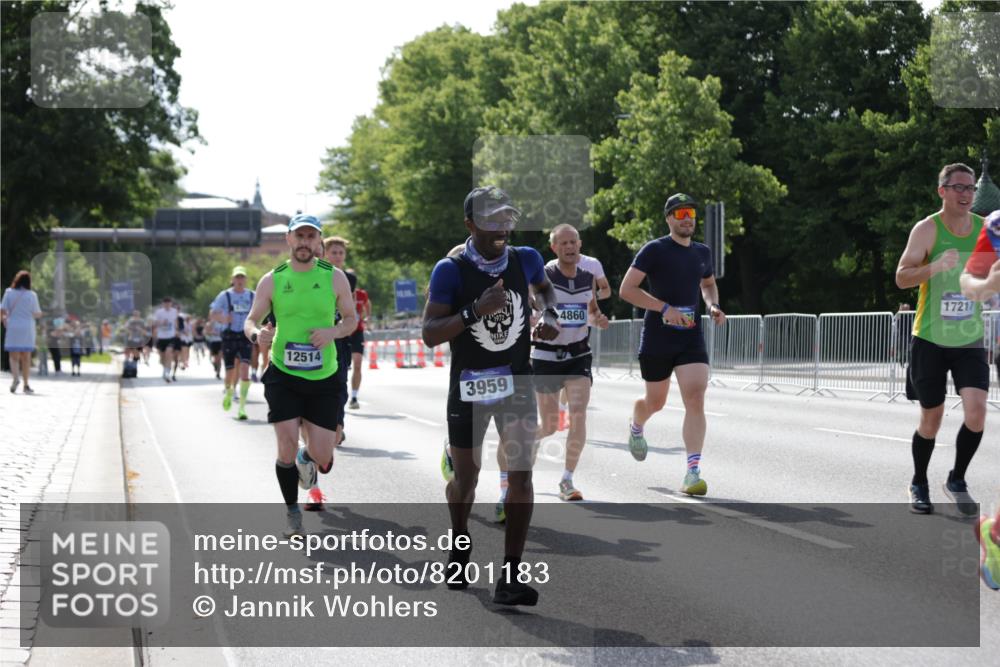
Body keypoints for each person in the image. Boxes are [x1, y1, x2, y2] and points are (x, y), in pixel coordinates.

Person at [423, 185, 559, 606]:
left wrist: (548, 313)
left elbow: (545, 288)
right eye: (491, 220)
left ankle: (510, 576)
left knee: (522, 476)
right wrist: (473, 312)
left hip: (517, 381)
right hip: (469, 386)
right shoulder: (451, 270)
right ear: (470, 224)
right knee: (467, 479)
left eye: (506, 218)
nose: (501, 227)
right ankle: (460, 541)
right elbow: (429, 333)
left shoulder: (527, 258)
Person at [244, 214, 356, 537]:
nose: (305, 242)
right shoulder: (272, 280)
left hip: (324, 376)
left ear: (318, 241)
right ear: (289, 240)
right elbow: (251, 320)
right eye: (300, 236)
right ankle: (292, 511)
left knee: (323, 455)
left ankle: (309, 458)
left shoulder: (335, 278)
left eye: (311, 236)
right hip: (283, 374)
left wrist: (332, 332)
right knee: (286, 445)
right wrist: (257, 336)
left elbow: (350, 320)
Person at [895, 163, 988, 516]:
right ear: (943, 191)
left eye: (970, 188)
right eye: (959, 187)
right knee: (931, 418)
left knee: (977, 413)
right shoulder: (927, 230)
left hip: (969, 339)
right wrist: (935, 266)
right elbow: (901, 277)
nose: (966, 194)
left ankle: (957, 479)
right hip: (930, 339)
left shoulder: (985, 230)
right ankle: (919, 481)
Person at [619, 193, 726, 496]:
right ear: (668, 219)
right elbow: (626, 290)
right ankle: (637, 424)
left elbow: (707, 284)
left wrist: (713, 305)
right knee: (656, 402)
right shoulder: (654, 250)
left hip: (691, 337)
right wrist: (665, 309)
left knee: (695, 397)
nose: (687, 218)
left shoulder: (702, 253)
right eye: (679, 214)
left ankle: (692, 472)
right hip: (657, 337)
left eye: (690, 212)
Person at [532, 224, 609, 503]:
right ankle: (527, 452)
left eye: (573, 242)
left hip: (578, 355)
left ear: (580, 244)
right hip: (546, 357)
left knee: (578, 413)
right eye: (563, 243)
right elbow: (532, 313)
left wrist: (600, 319)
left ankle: (567, 479)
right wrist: (539, 323)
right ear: (554, 248)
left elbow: (593, 311)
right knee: (551, 425)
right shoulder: (543, 277)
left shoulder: (588, 276)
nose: (569, 247)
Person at [211, 266, 256, 421]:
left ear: (245, 280)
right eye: (237, 277)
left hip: (245, 336)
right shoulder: (225, 295)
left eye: (242, 277)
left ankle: (242, 407)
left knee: (244, 369)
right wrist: (223, 319)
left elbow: (261, 311)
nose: (239, 280)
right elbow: (213, 313)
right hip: (229, 335)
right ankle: (229, 391)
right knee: (230, 371)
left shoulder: (252, 295)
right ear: (232, 279)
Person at [322, 236, 355, 445]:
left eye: (341, 253)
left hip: (340, 339)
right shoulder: (314, 275)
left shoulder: (348, 279)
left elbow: (348, 311)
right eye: (333, 252)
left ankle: (337, 426)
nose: (337, 257)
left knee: (340, 387)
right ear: (325, 253)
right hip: (318, 340)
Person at [2, 270, 43, 393]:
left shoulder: (8, 292)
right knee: (26, 357)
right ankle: (26, 385)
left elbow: (2, 310)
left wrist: (3, 319)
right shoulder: (32, 295)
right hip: (27, 327)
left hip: (13, 326)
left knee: (13, 356)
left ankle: (15, 378)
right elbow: (36, 314)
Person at [347, 275, 371, 410]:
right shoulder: (340, 292)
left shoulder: (362, 294)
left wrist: (367, 317)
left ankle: (354, 397)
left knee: (357, 364)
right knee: (342, 367)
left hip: (357, 332)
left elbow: (368, 304)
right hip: (343, 333)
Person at [151, 297, 180, 383]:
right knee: (162, 358)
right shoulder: (159, 312)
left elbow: (175, 321)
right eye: (166, 303)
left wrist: (177, 329)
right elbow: (155, 323)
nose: (167, 305)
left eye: (169, 303)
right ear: (163, 304)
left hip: (171, 336)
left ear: (171, 304)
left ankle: (167, 372)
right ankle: (165, 368)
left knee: (169, 353)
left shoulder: (174, 311)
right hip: (161, 337)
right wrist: (161, 323)